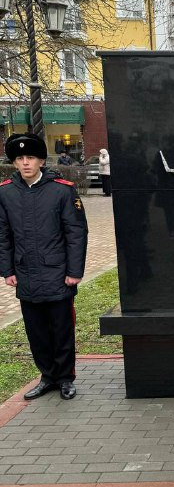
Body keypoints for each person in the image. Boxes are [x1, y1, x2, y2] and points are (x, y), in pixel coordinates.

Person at [0, 133, 88, 401]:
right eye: (20, 158)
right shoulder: (5, 192)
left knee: (61, 330)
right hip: (26, 273)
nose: (25, 163)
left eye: (31, 157)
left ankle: (65, 378)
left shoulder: (62, 190)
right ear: (14, 163)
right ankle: (47, 377)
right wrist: (7, 270)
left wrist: (74, 271)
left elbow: (76, 232)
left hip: (58, 274)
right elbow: (3, 235)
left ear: (41, 161)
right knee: (36, 332)